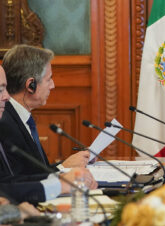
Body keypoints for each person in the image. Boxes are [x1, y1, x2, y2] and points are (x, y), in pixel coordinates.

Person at [0, 60, 97, 203]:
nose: (7, 97)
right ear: (30, 85)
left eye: (6, 89)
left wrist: (59, 177)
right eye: (0, 90)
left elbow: (9, 180)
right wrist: (59, 182)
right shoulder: (7, 123)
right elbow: (5, 188)